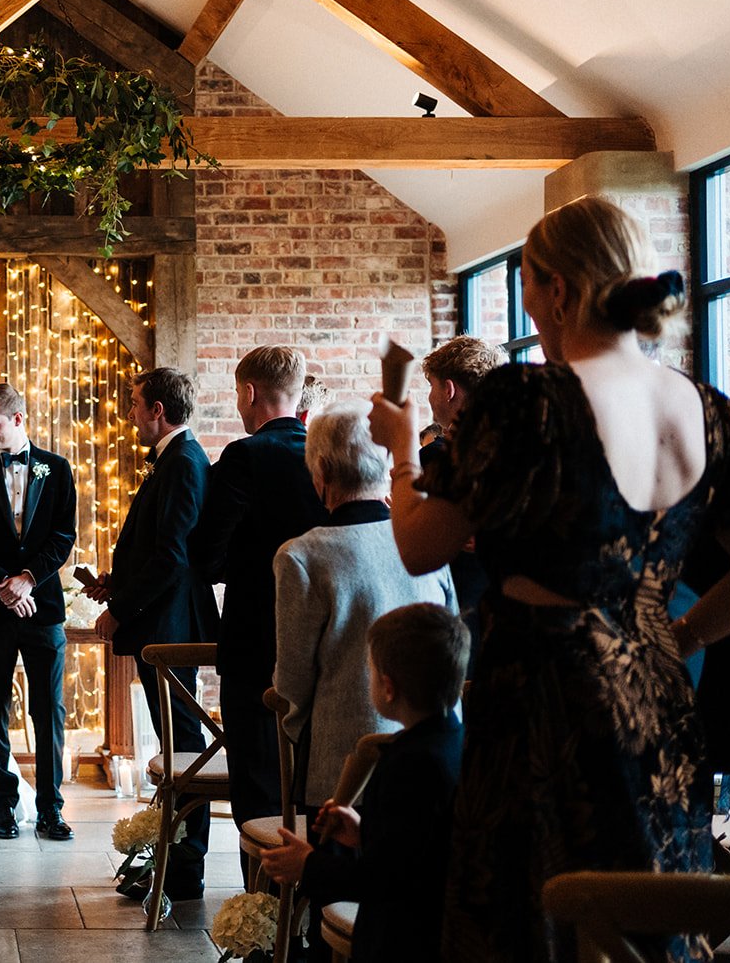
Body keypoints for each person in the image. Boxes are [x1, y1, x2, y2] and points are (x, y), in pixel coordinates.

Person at [369, 196, 730, 963]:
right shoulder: (709, 411)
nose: (530, 309)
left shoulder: (527, 400)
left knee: (533, 919)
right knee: (644, 913)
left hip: (542, 692)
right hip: (661, 690)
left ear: (564, 291)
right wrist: (681, 632)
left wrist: (403, 449)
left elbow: (418, 545)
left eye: (531, 291)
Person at [273, 400, 456, 816]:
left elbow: (292, 684)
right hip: (434, 753)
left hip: (343, 770)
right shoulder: (426, 538)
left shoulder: (302, 556)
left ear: (320, 470)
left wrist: (300, 738)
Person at [261, 603, 469, 963]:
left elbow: (383, 881)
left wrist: (308, 865)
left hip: (405, 939)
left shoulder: (405, 763)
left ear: (387, 687)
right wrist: (365, 833)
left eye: (371, 672)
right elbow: (422, 847)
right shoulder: (457, 741)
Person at [195, 345, 327, 882]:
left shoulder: (245, 456)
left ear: (249, 393)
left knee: (257, 780)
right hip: (323, 642)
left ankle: (262, 909)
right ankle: (302, 909)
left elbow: (206, 555)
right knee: (309, 781)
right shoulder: (327, 454)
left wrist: (242, 566)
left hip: (256, 640)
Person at [90, 367, 215, 899]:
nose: (131, 413)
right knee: (176, 740)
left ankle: (186, 870)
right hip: (161, 621)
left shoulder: (184, 462)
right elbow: (157, 550)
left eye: (136, 403)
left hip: (170, 627)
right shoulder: (175, 459)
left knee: (184, 746)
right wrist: (113, 582)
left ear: (158, 410)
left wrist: (120, 608)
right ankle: (171, 858)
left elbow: (172, 557)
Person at [0, 383, 77, 840]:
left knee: (49, 712)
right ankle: (3, 804)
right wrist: (3, 584)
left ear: (18, 419)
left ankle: (51, 809)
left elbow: (63, 537)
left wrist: (27, 579)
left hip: (42, 609)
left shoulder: (58, 470)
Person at [419, 335, 506, 651]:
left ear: (449, 389)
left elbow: (419, 549)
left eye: (431, 386)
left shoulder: (436, 460)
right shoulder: (518, 448)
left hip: (458, 603)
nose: (430, 397)